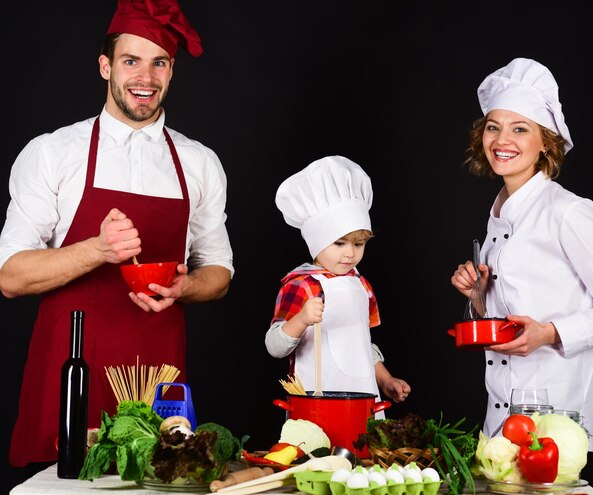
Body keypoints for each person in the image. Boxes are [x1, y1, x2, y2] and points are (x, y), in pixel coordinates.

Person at [0, 0, 234, 469]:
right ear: (106, 66)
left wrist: (185, 285)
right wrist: (96, 249)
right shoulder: (52, 153)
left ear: (171, 71)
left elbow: (221, 272)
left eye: (159, 63)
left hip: (158, 384)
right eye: (131, 61)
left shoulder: (199, 162)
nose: (144, 78)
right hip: (71, 378)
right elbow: (11, 276)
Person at [450, 57, 593, 452]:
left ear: (545, 141)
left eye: (520, 129)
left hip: (554, 418)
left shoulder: (568, 212)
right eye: (493, 127)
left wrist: (549, 333)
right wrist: (479, 299)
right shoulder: (501, 212)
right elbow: (512, 315)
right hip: (501, 415)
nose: (502, 140)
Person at [266, 155, 411, 413]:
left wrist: (386, 380)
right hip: (314, 404)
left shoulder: (360, 284)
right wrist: (301, 319)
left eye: (359, 244)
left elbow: (361, 346)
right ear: (317, 240)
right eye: (339, 243)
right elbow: (274, 347)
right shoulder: (301, 285)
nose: (350, 254)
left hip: (365, 402)